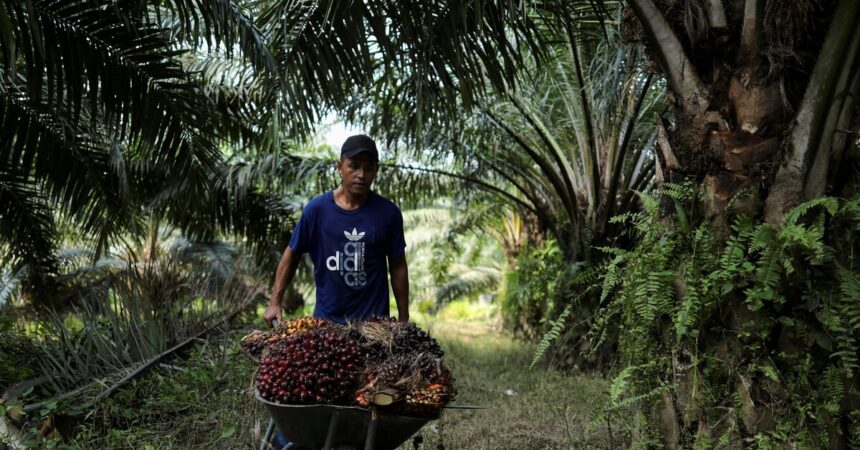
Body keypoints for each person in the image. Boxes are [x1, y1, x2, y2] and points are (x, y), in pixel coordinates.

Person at [264, 133, 410, 326]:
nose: (361, 174)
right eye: (354, 166)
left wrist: (403, 319)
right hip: (327, 325)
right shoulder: (317, 210)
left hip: (375, 328)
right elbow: (292, 254)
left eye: (368, 168)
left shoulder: (388, 214)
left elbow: (398, 265)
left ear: (376, 170)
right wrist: (275, 302)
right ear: (340, 167)